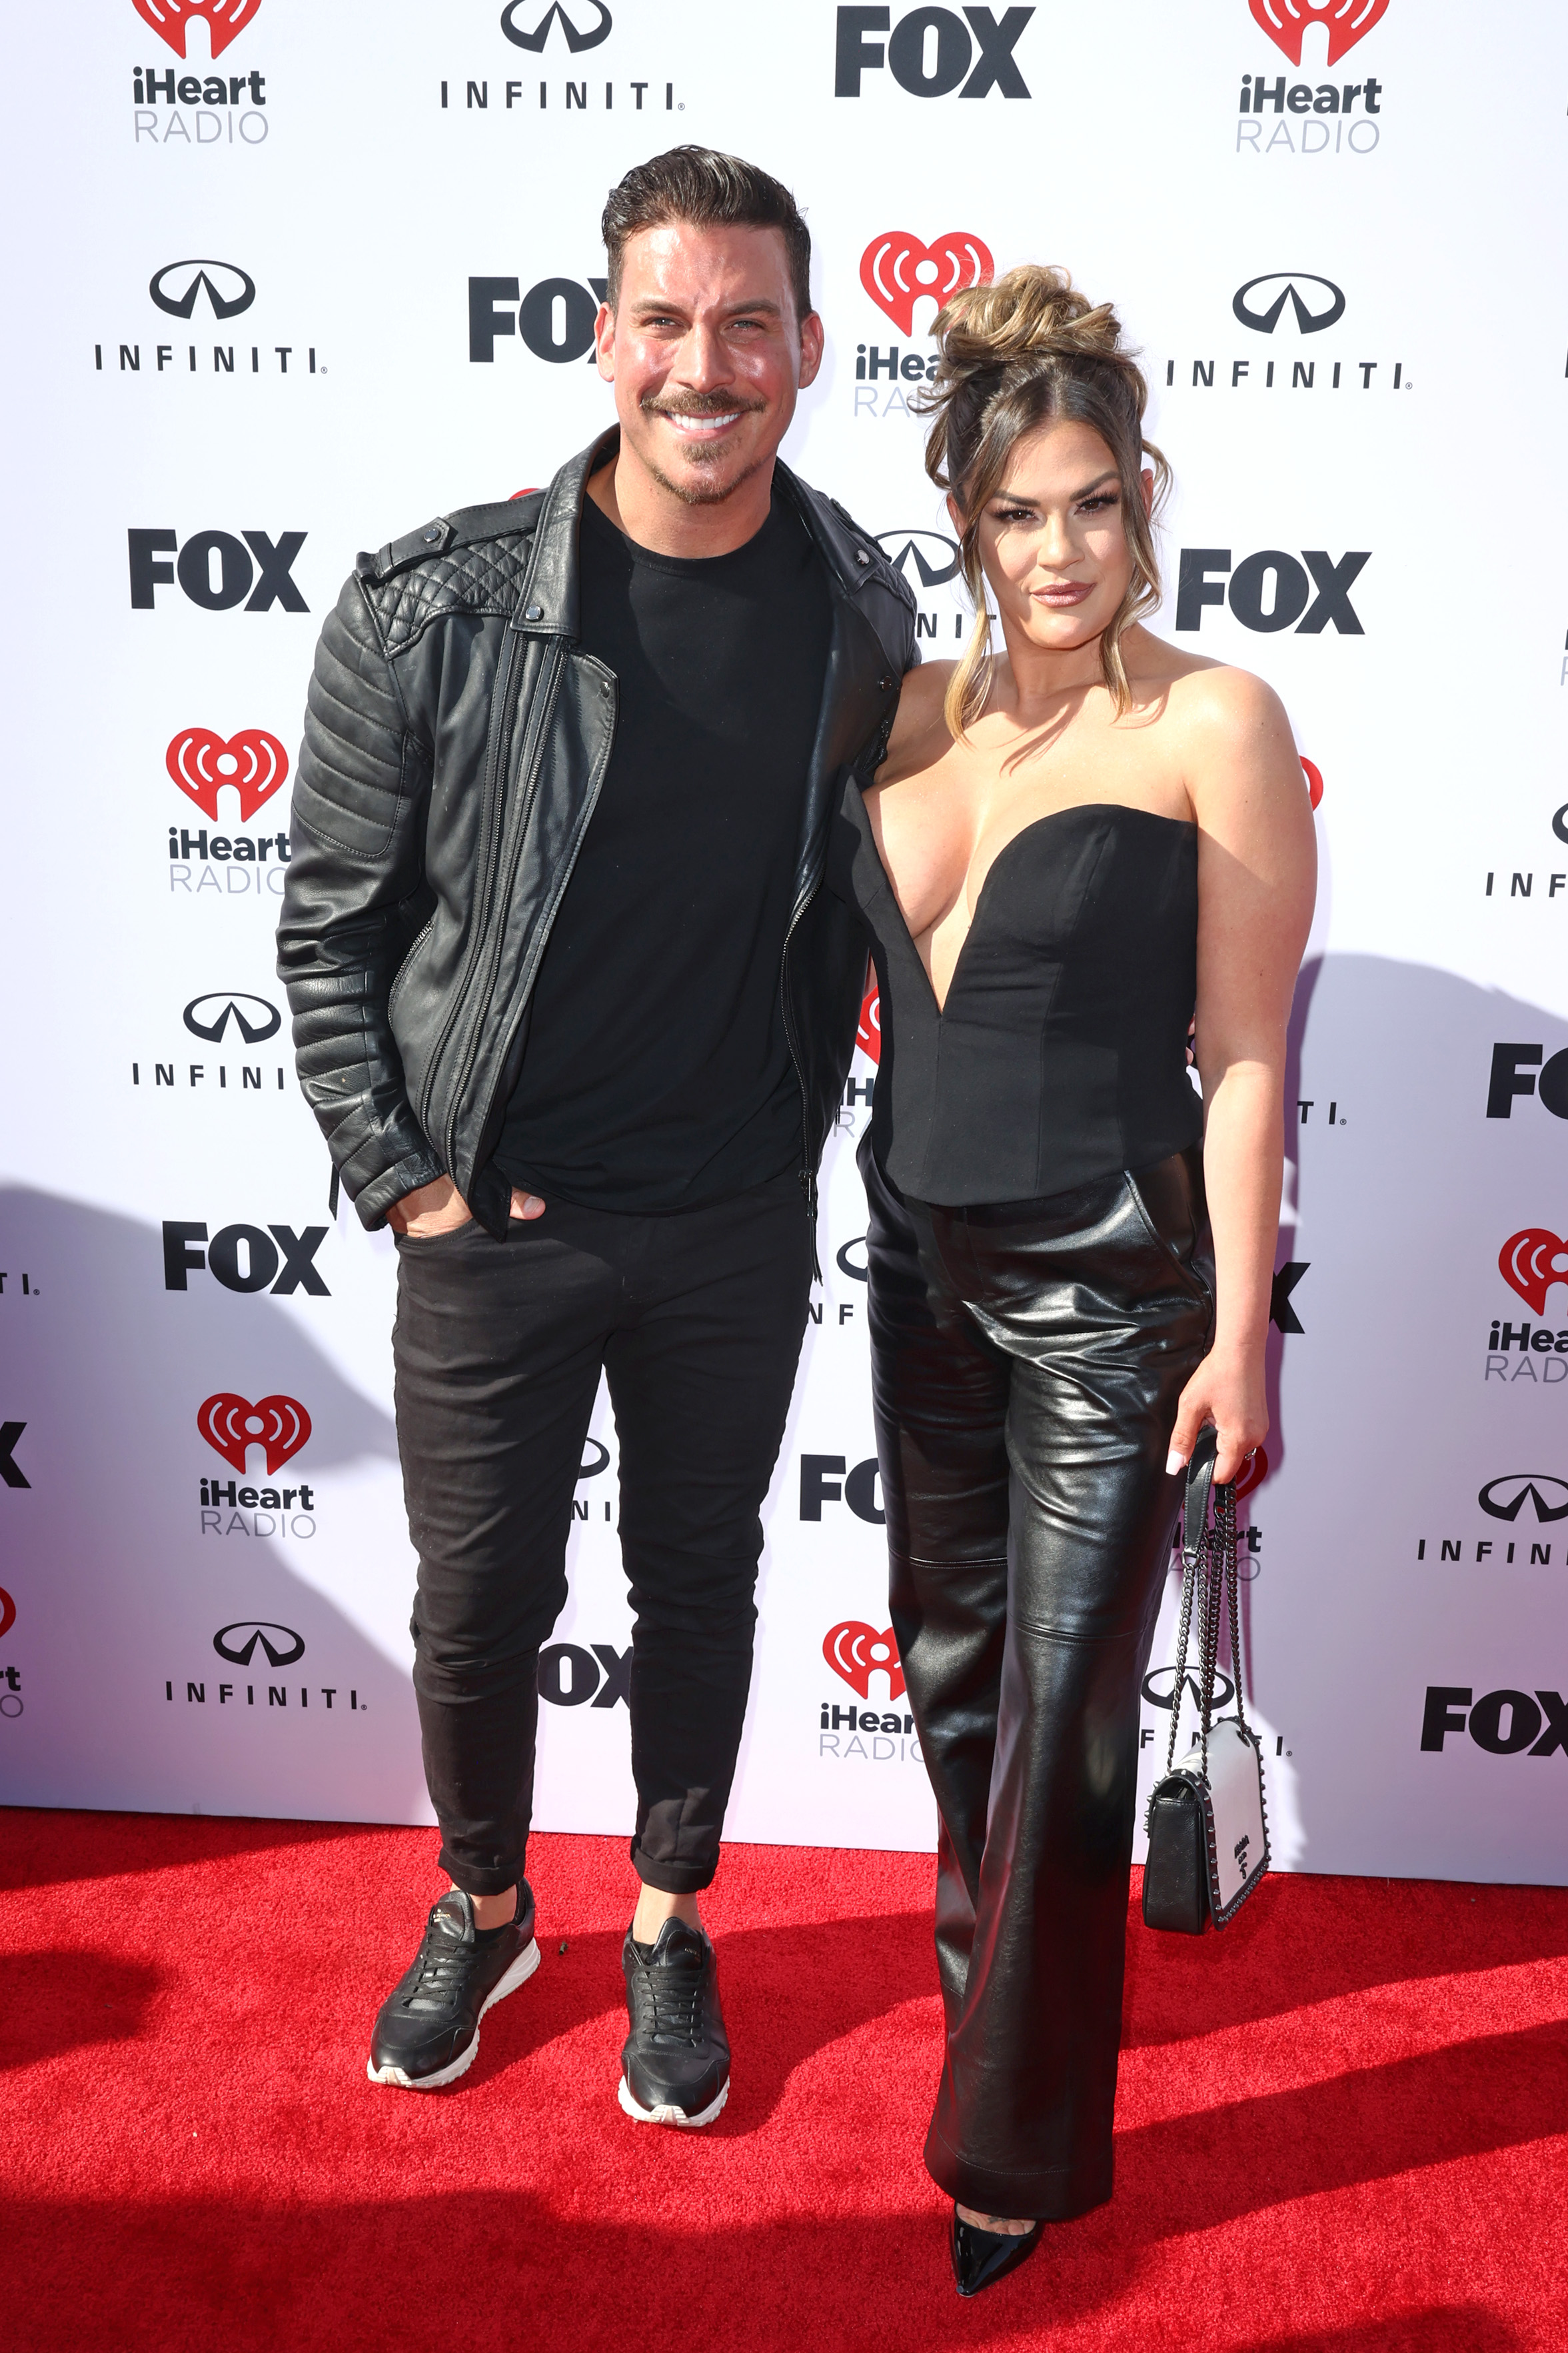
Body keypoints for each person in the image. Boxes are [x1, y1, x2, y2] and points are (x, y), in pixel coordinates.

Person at [277, 147, 916, 2123]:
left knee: (700, 1586)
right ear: (602, 336)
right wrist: (411, 1185)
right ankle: (485, 1902)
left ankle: (664, 1919)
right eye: (665, 319)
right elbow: (329, 931)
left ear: (809, 347)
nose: (703, 364)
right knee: (478, 1608)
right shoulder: (434, 606)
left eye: (747, 323)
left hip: (730, 1217)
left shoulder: (862, 612)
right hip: (496, 1221)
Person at [828, 265, 1315, 2292]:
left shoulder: (1215, 721)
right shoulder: (903, 714)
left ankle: (1013, 2148)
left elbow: (1247, 1055)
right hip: (916, 1265)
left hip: (1114, 1289)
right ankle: (996, 2025)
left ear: (1143, 500)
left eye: (1095, 504)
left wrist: (1239, 1332)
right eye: (1017, 512)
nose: (1059, 550)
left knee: (1060, 1714)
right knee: (955, 1687)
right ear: (963, 518)